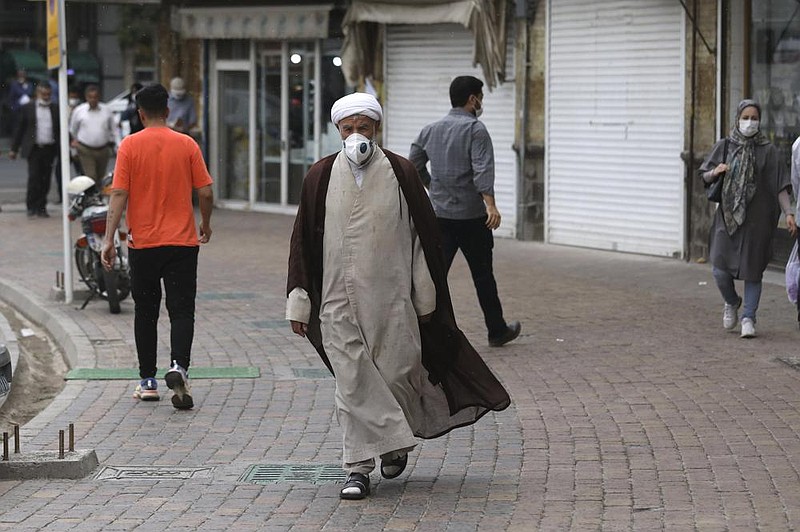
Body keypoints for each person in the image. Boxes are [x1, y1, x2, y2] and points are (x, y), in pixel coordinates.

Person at [286, 93, 510, 500]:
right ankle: (357, 469)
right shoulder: (319, 176)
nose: (356, 135)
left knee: (394, 377)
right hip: (336, 303)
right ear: (338, 130)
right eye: (348, 128)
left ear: (377, 128)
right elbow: (302, 240)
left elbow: (423, 240)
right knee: (352, 385)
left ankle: (391, 444)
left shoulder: (401, 171)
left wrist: (426, 298)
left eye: (364, 127)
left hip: (392, 300)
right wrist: (300, 299)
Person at [101, 84, 214, 410]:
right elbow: (205, 192)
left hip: (143, 244)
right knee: (181, 310)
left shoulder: (130, 146)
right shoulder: (187, 143)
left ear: (139, 114)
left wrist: (109, 238)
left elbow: (119, 194)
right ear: (167, 110)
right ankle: (179, 366)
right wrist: (204, 224)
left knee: (146, 312)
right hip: (181, 242)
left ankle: (147, 382)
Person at [409, 75, 521, 347]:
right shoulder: (476, 130)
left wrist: (432, 186)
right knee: (483, 276)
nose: (481, 103)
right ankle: (497, 330)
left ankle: (418, 330)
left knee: (434, 276)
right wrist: (490, 204)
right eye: (480, 97)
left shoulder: (431, 129)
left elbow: (414, 161)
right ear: (472, 99)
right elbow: (482, 168)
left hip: (441, 217)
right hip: (472, 219)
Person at [699, 99, 794, 338]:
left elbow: (779, 185)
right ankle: (731, 301)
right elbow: (705, 176)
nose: (750, 122)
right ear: (737, 118)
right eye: (746, 117)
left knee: (753, 271)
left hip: (757, 221)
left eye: (754, 118)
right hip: (728, 219)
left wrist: (789, 213)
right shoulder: (725, 146)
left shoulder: (768, 150)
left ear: (760, 121)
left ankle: (749, 318)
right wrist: (716, 171)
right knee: (719, 268)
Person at [8, 84, 59, 218]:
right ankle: (31, 206)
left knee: (46, 179)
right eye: (44, 94)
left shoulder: (55, 108)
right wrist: (14, 148)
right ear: (37, 94)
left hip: (49, 148)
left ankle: (42, 207)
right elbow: (20, 129)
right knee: (34, 178)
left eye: (48, 94)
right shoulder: (28, 108)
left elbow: (59, 129)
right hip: (34, 148)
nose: (46, 97)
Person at [69, 84, 115, 182]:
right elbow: (73, 129)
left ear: (99, 97)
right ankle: (91, 195)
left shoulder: (106, 110)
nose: (93, 100)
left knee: (101, 176)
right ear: (86, 97)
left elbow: (113, 129)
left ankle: (98, 196)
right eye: (90, 97)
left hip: (103, 149)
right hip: (85, 149)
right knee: (91, 176)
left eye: (95, 97)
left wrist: (116, 145)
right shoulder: (79, 111)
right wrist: (74, 147)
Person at [6, 69, 33, 135]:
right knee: (18, 127)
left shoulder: (29, 84)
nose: (22, 76)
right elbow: (11, 97)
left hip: (28, 108)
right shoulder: (14, 84)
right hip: (17, 109)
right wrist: (12, 108)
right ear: (17, 75)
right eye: (20, 74)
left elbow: (30, 93)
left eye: (23, 74)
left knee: (27, 126)